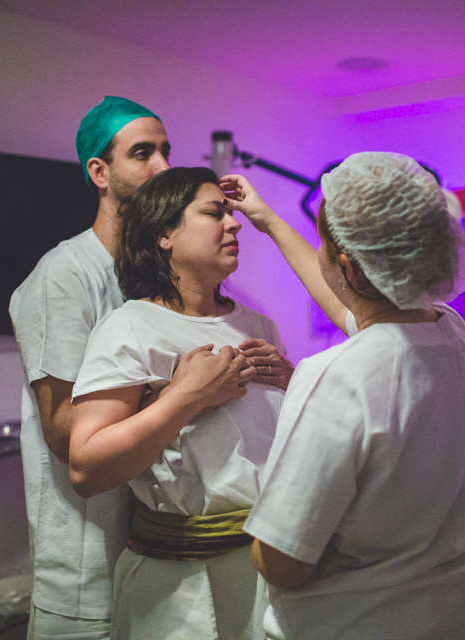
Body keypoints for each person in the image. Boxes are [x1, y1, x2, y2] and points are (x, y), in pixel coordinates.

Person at [224, 152, 465, 639]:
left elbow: (282, 563)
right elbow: (359, 311)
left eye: (323, 244)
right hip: (462, 615)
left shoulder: (334, 374)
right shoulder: (451, 333)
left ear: (350, 268)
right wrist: (269, 221)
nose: (318, 251)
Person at [69, 166, 293, 640]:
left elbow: (271, 444)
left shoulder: (258, 325)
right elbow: (86, 470)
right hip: (179, 585)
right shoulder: (129, 328)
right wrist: (188, 397)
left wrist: (295, 385)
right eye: (215, 213)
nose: (234, 224)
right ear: (164, 234)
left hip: (269, 568)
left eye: (232, 215)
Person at [9, 96, 172, 639]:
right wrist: (183, 394)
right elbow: (63, 431)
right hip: (85, 564)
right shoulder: (65, 275)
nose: (162, 168)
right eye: (143, 153)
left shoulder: (149, 278)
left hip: (146, 549)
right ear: (99, 173)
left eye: (166, 152)